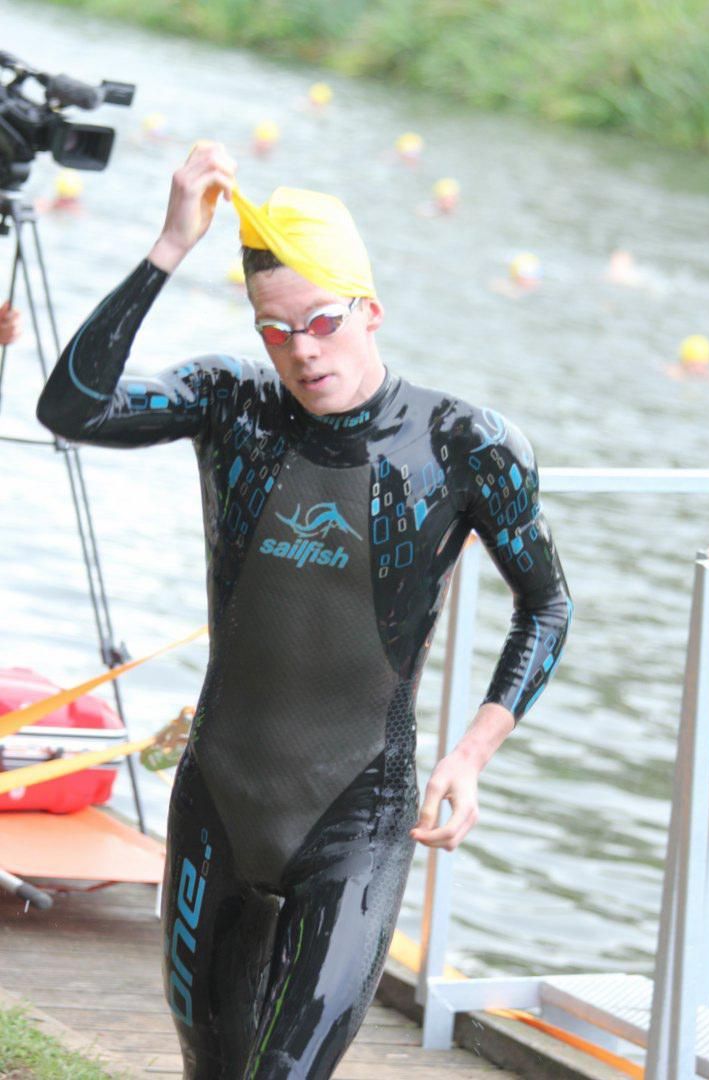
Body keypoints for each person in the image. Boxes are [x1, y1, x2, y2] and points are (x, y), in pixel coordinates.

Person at [36, 142, 572, 1080]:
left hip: (355, 815)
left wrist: (472, 752)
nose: (302, 351)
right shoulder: (230, 402)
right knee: (214, 1064)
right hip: (220, 795)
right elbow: (72, 408)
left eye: (321, 322)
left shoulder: (462, 445)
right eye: (275, 330)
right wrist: (169, 245)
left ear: (370, 309)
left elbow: (548, 605)